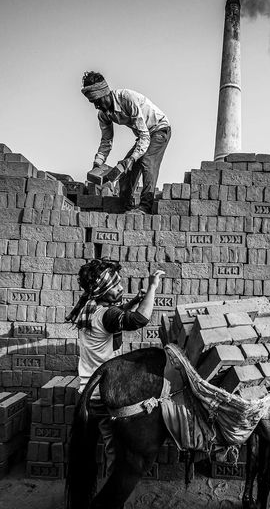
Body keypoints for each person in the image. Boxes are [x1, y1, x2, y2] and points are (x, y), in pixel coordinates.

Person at [66, 258, 165, 475]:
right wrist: (152, 288)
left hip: (88, 391)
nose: (121, 288)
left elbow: (116, 314)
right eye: (115, 286)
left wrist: (132, 302)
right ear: (102, 290)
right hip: (104, 393)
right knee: (115, 449)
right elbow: (139, 319)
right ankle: (113, 494)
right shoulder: (106, 315)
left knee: (103, 445)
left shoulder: (89, 308)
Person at [81, 71, 171, 214]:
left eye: (98, 102)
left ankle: (145, 207)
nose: (96, 106)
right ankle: (126, 208)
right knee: (124, 171)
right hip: (144, 136)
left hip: (159, 129)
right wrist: (98, 163)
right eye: (93, 103)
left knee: (146, 161)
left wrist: (132, 158)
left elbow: (144, 135)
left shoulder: (127, 99)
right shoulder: (103, 114)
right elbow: (106, 141)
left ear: (105, 93)